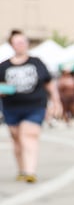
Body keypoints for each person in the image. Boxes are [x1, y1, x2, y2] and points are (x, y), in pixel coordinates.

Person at [0, 30, 62, 182]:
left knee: (28, 135)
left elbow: (49, 84)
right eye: (17, 42)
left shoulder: (36, 62)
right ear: (12, 45)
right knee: (17, 139)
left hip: (35, 106)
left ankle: (30, 171)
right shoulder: (3, 66)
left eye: (23, 42)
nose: (21, 45)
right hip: (11, 107)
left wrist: (56, 101)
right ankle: (22, 169)